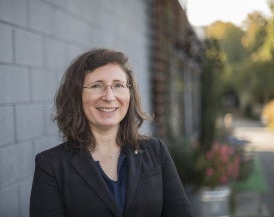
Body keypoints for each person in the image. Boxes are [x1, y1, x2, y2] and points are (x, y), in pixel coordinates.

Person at [30, 48, 192, 217]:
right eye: (96, 86)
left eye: (118, 85)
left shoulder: (155, 151)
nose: (109, 96)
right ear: (77, 95)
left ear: (130, 94)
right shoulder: (51, 166)